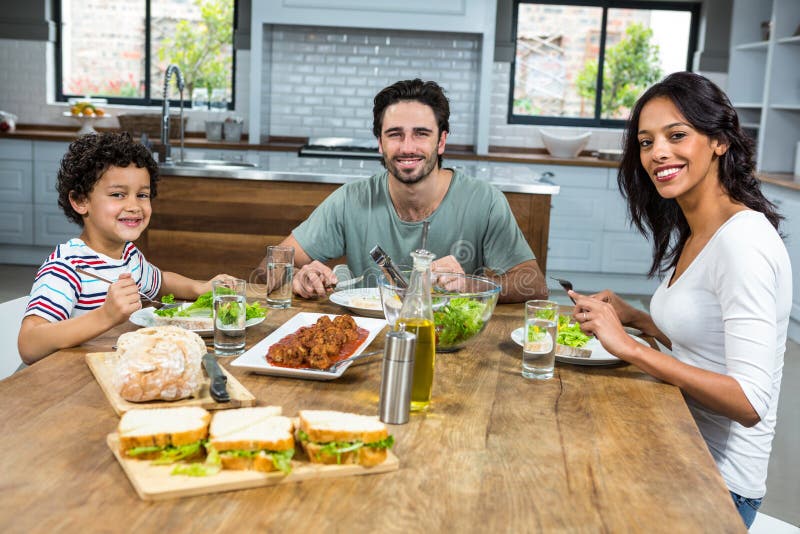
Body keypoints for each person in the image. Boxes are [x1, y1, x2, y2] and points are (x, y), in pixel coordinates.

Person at [567, 72, 791, 529]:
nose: (658, 154)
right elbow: (710, 343)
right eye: (646, 142)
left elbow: (750, 402)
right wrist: (639, 321)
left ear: (719, 142)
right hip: (679, 442)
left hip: (717, 485)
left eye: (677, 135)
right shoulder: (700, 229)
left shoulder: (742, 241)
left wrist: (627, 347)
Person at [258, 79, 548, 303]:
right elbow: (265, 268)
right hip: (366, 338)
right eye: (395, 134)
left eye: (421, 134)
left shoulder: (484, 201)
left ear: (441, 141)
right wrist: (298, 276)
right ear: (380, 144)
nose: (407, 147)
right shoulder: (350, 200)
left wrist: (470, 285)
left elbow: (533, 284)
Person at [18, 132, 231, 365]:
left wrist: (200, 288)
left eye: (142, 195)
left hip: (120, 370)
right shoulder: (68, 266)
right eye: (117, 194)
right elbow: (29, 345)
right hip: (73, 385)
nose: (133, 206)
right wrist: (106, 315)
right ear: (80, 201)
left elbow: (161, 282)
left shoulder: (129, 255)